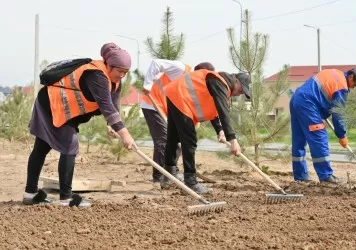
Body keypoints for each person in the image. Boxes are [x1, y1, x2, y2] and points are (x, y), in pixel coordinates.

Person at [22, 43, 137, 207]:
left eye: (125, 72)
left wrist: (111, 125)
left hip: (63, 110)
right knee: (68, 146)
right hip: (52, 104)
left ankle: (30, 193)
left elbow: (113, 107)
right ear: (109, 65)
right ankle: (65, 198)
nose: (122, 76)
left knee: (43, 147)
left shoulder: (115, 82)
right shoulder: (97, 75)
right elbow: (106, 106)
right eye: (120, 71)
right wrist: (125, 135)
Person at [162, 69, 251, 193]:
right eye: (241, 89)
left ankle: (168, 176)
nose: (239, 93)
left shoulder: (220, 85)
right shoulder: (219, 82)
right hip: (181, 96)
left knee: (174, 137)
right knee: (190, 141)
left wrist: (220, 130)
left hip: (175, 93)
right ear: (236, 81)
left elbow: (214, 108)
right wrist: (233, 140)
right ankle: (191, 181)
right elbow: (222, 111)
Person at [141, 60, 215, 183]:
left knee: (176, 140)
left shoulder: (195, 85)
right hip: (153, 105)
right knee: (163, 141)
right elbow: (156, 63)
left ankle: (171, 172)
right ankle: (159, 176)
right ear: (199, 73)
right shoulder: (181, 69)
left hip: (168, 110)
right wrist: (147, 84)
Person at [289, 68, 356, 183]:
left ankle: (300, 176)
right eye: (355, 83)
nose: (354, 87)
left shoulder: (336, 74)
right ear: (351, 76)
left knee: (299, 140)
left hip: (297, 98)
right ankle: (326, 176)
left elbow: (322, 95)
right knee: (319, 137)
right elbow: (338, 114)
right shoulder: (342, 86)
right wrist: (342, 135)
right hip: (308, 103)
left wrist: (322, 111)